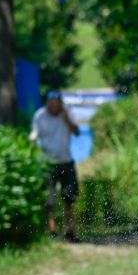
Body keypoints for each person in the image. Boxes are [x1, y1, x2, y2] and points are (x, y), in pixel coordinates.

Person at [30, 90, 80, 241]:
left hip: (66, 161)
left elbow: (76, 132)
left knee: (69, 199)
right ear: (48, 104)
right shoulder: (40, 115)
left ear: (61, 104)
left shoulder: (67, 113)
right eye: (51, 104)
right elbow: (34, 135)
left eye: (57, 104)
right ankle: (51, 231)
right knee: (49, 199)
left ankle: (69, 231)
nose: (54, 107)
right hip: (48, 163)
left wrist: (66, 119)